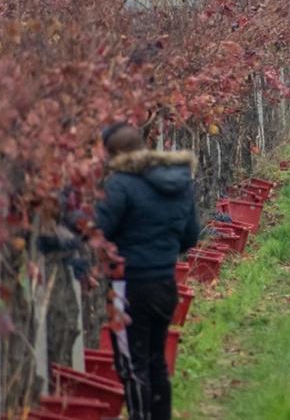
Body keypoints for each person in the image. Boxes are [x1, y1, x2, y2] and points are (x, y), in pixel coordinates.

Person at [95, 123, 199, 420]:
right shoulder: (179, 181)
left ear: (115, 154)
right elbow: (190, 237)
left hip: (128, 289)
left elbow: (98, 231)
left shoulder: (121, 185)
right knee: (155, 362)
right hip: (165, 284)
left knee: (132, 366)